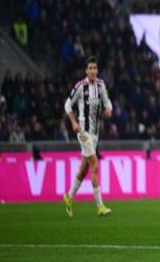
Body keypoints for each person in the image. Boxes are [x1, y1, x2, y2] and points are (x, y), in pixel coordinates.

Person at [63, 56, 113, 217]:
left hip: (95, 133)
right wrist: (73, 122)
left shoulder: (101, 85)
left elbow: (107, 101)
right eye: (90, 68)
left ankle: (68, 196)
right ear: (86, 71)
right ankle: (100, 206)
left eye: (94, 68)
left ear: (97, 70)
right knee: (95, 166)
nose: (92, 71)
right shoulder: (80, 86)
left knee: (84, 169)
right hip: (83, 132)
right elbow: (67, 104)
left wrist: (109, 109)